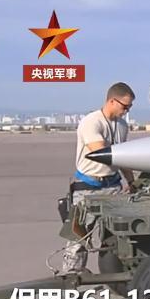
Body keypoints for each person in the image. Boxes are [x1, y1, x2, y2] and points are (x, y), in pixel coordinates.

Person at [62, 82, 136, 274]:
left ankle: (115, 277)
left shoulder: (122, 125)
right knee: (78, 239)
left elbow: (123, 158)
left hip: (113, 186)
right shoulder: (91, 122)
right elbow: (100, 150)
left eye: (130, 107)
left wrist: (131, 181)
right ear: (112, 101)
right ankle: (71, 277)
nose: (127, 111)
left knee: (115, 236)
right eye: (125, 106)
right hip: (87, 187)